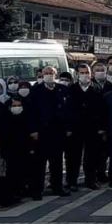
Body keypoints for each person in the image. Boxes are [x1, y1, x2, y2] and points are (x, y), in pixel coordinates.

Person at [29, 66, 71, 197]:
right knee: (39, 163)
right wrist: (33, 130)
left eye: (51, 73)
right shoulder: (36, 90)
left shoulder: (62, 90)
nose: (48, 75)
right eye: (46, 73)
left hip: (58, 132)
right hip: (42, 132)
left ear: (55, 75)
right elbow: (32, 112)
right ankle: (37, 190)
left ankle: (57, 187)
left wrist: (68, 128)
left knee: (57, 162)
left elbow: (69, 111)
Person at [66, 64, 107, 191]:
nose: (85, 75)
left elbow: (102, 110)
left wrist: (101, 127)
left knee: (92, 157)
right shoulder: (71, 89)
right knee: (73, 157)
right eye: (82, 72)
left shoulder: (97, 89)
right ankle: (72, 182)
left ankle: (91, 180)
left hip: (92, 129)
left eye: (87, 72)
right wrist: (68, 128)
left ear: (91, 74)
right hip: (75, 128)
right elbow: (67, 110)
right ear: (77, 74)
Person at [5, 96, 36, 200]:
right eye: (14, 106)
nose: (16, 107)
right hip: (11, 149)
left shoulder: (27, 117)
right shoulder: (7, 118)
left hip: (25, 148)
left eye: (19, 105)